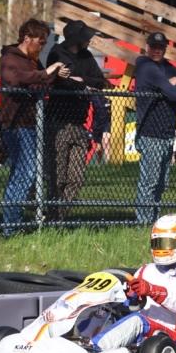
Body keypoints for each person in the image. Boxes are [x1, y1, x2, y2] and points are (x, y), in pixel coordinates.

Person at [92, 214, 176, 351]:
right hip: (142, 329)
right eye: (158, 243)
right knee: (104, 308)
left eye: (168, 243)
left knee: (137, 321)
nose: (162, 248)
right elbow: (133, 305)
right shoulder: (146, 270)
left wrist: (153, 290)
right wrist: (130, 297)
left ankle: (95, 349)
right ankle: (81, 341)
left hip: (172, 336)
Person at [0, 19, 69, 236]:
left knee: (24, 173)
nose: (42, 47)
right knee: (26, 172)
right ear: (27, 38)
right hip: (16, 124)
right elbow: (15, 79)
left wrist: (54, 75)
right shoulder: (10, 58)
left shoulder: (33, 61)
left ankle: (13, 223)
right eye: (40, 42)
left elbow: (39, 82)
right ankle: (11, 226)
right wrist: (46, 72)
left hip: (32, 123)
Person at [45, 20, 108, 222]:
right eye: (85, 37)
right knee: (58, 176)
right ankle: (52, 216)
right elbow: (63, 82)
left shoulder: (86, 56)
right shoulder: (57, 53)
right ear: (76, 39)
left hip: (79, 122)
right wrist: (80, 84)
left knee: (76, 178)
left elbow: (100, 81)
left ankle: (60, 216)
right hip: (59, 123)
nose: (89, 41)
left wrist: (81, 81)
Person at [134, 32, 176, 224]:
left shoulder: (167, 67)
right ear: (147, 46)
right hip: (150, 132)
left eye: (160, 47)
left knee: (161, 183)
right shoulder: (146, 66)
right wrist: (174, 86)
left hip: (167, 132)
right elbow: (174, 95)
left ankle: (153, 220)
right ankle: (143, 221)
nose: (157, 50)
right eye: (153, 46)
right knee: (149, 182)